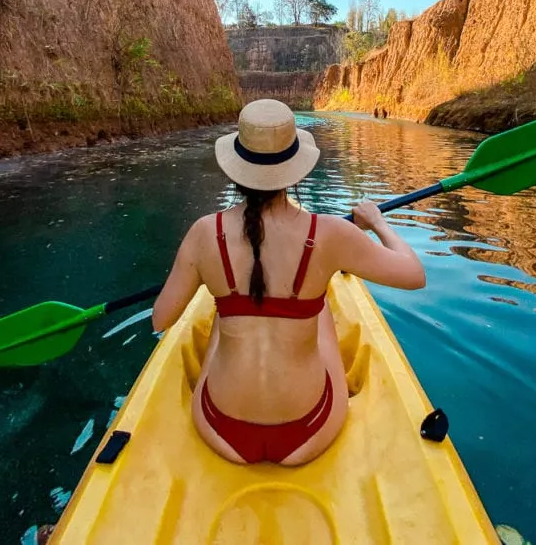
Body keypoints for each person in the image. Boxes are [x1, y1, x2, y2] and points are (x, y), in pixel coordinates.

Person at [152, 99, 425, 466]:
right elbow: (414, 275)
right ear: (296, 171)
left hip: (221, 427)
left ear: (237, 169)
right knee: (320, 305)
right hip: (308, 429)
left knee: (224, 314)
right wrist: (377, 223)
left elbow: (161, 319)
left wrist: (211, 279)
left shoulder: (205, 234)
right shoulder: (331, 234)